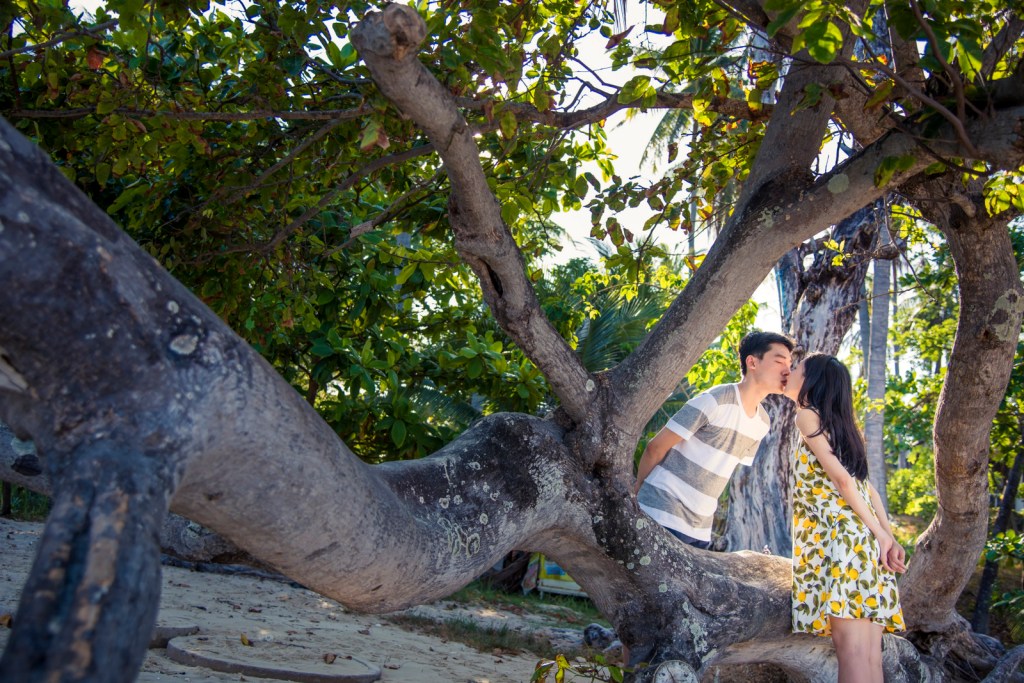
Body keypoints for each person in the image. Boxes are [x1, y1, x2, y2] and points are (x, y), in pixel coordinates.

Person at [784, 353, 905, 683]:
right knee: (869, 655)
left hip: (843, 541)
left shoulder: (807, 416)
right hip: (863, 541)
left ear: (812, 381)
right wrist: (886, 535)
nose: (789, 372)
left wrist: (883, 536)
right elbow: (870, 489)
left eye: (797, 368)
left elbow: (844, 481)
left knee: (850, 652)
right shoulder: (847, 428)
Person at [633, 330, 794, 549]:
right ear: (752, 362)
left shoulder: (762, 423)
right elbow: (655, 447)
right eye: (779, 361)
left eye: (790, 363)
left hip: (700, 529)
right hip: (661, 510)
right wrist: (639, 494)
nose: (788, 370)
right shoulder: (715, 400)